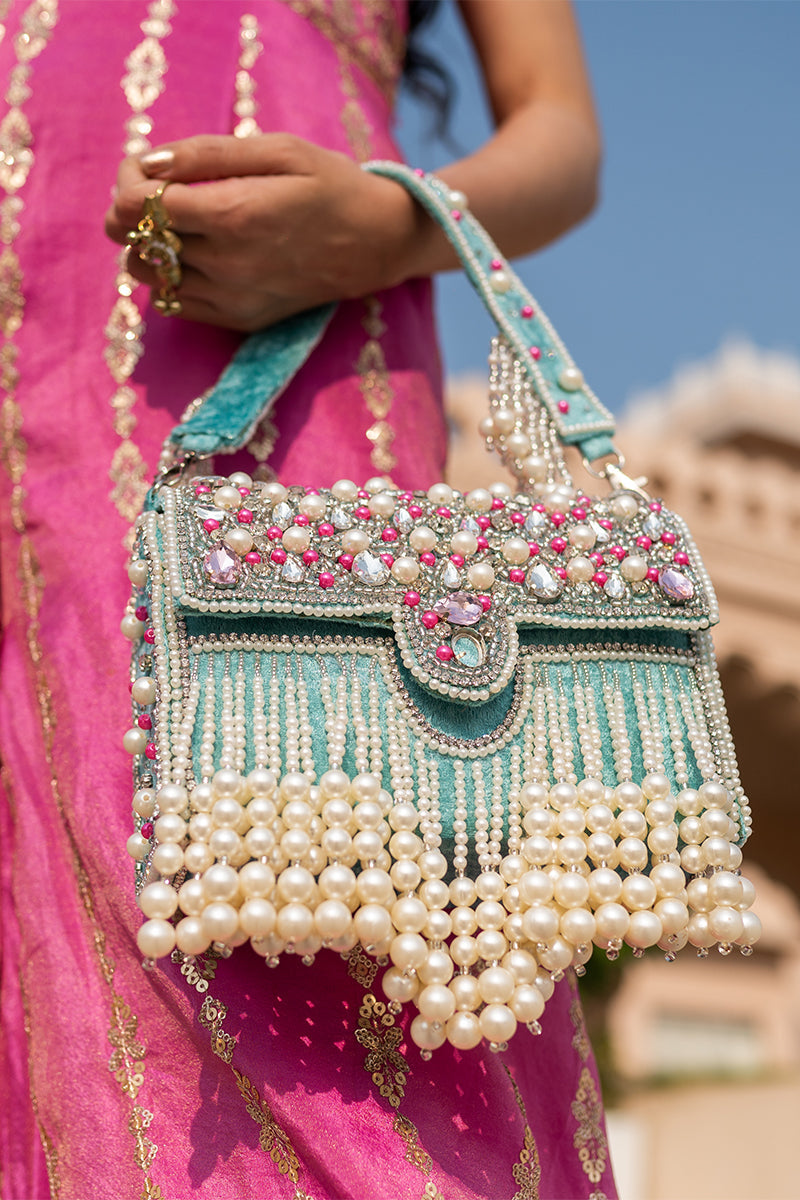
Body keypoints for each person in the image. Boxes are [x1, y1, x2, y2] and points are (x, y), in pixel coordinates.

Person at [0, 2, 617, 1196]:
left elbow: (563, 136)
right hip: (32, 323)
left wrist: (387, 222)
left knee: (304, 918)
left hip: (283, 330)